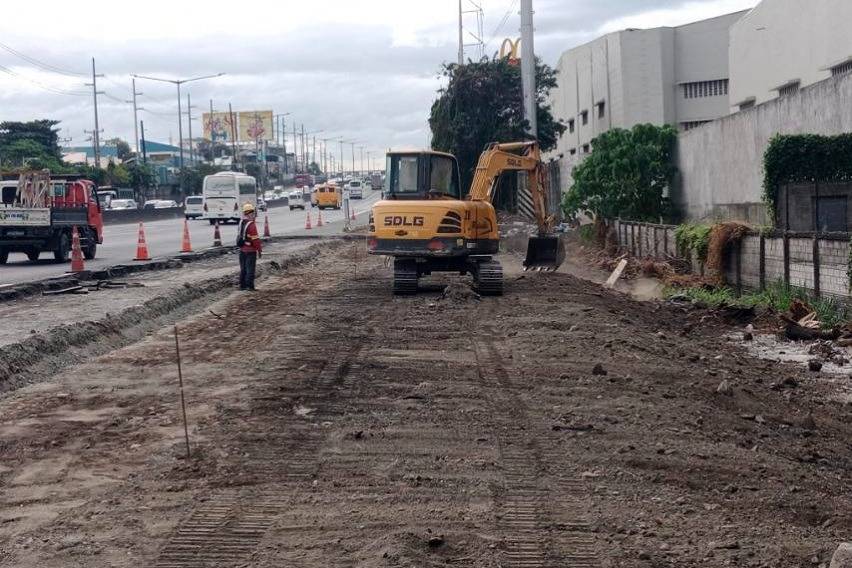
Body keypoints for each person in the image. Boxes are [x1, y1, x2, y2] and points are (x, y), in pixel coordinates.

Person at [237, 202, 262, 291]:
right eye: (253, 213)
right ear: (250, 213)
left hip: (242, 250)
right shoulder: (251, 225)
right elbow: (255, 240)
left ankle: (242, 286)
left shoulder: (241, 223)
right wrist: (259, 250)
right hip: (250, 250)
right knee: (250, 269)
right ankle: (250, 286)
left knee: (243, 269)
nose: (254, 215)